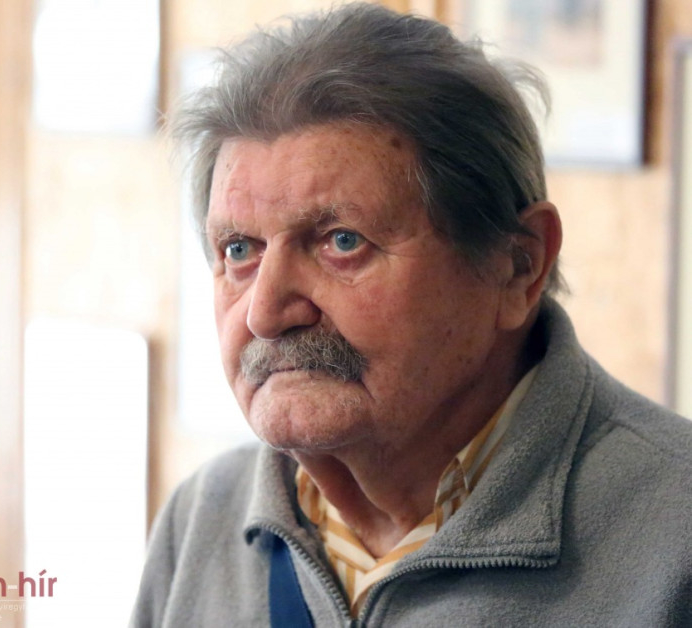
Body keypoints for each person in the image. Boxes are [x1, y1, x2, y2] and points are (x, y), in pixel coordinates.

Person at [132, 3, 692, 626]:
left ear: (518, 265)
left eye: (342, 241)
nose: (265, 314)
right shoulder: (202, 520)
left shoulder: (676, 543)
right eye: (240, 250)